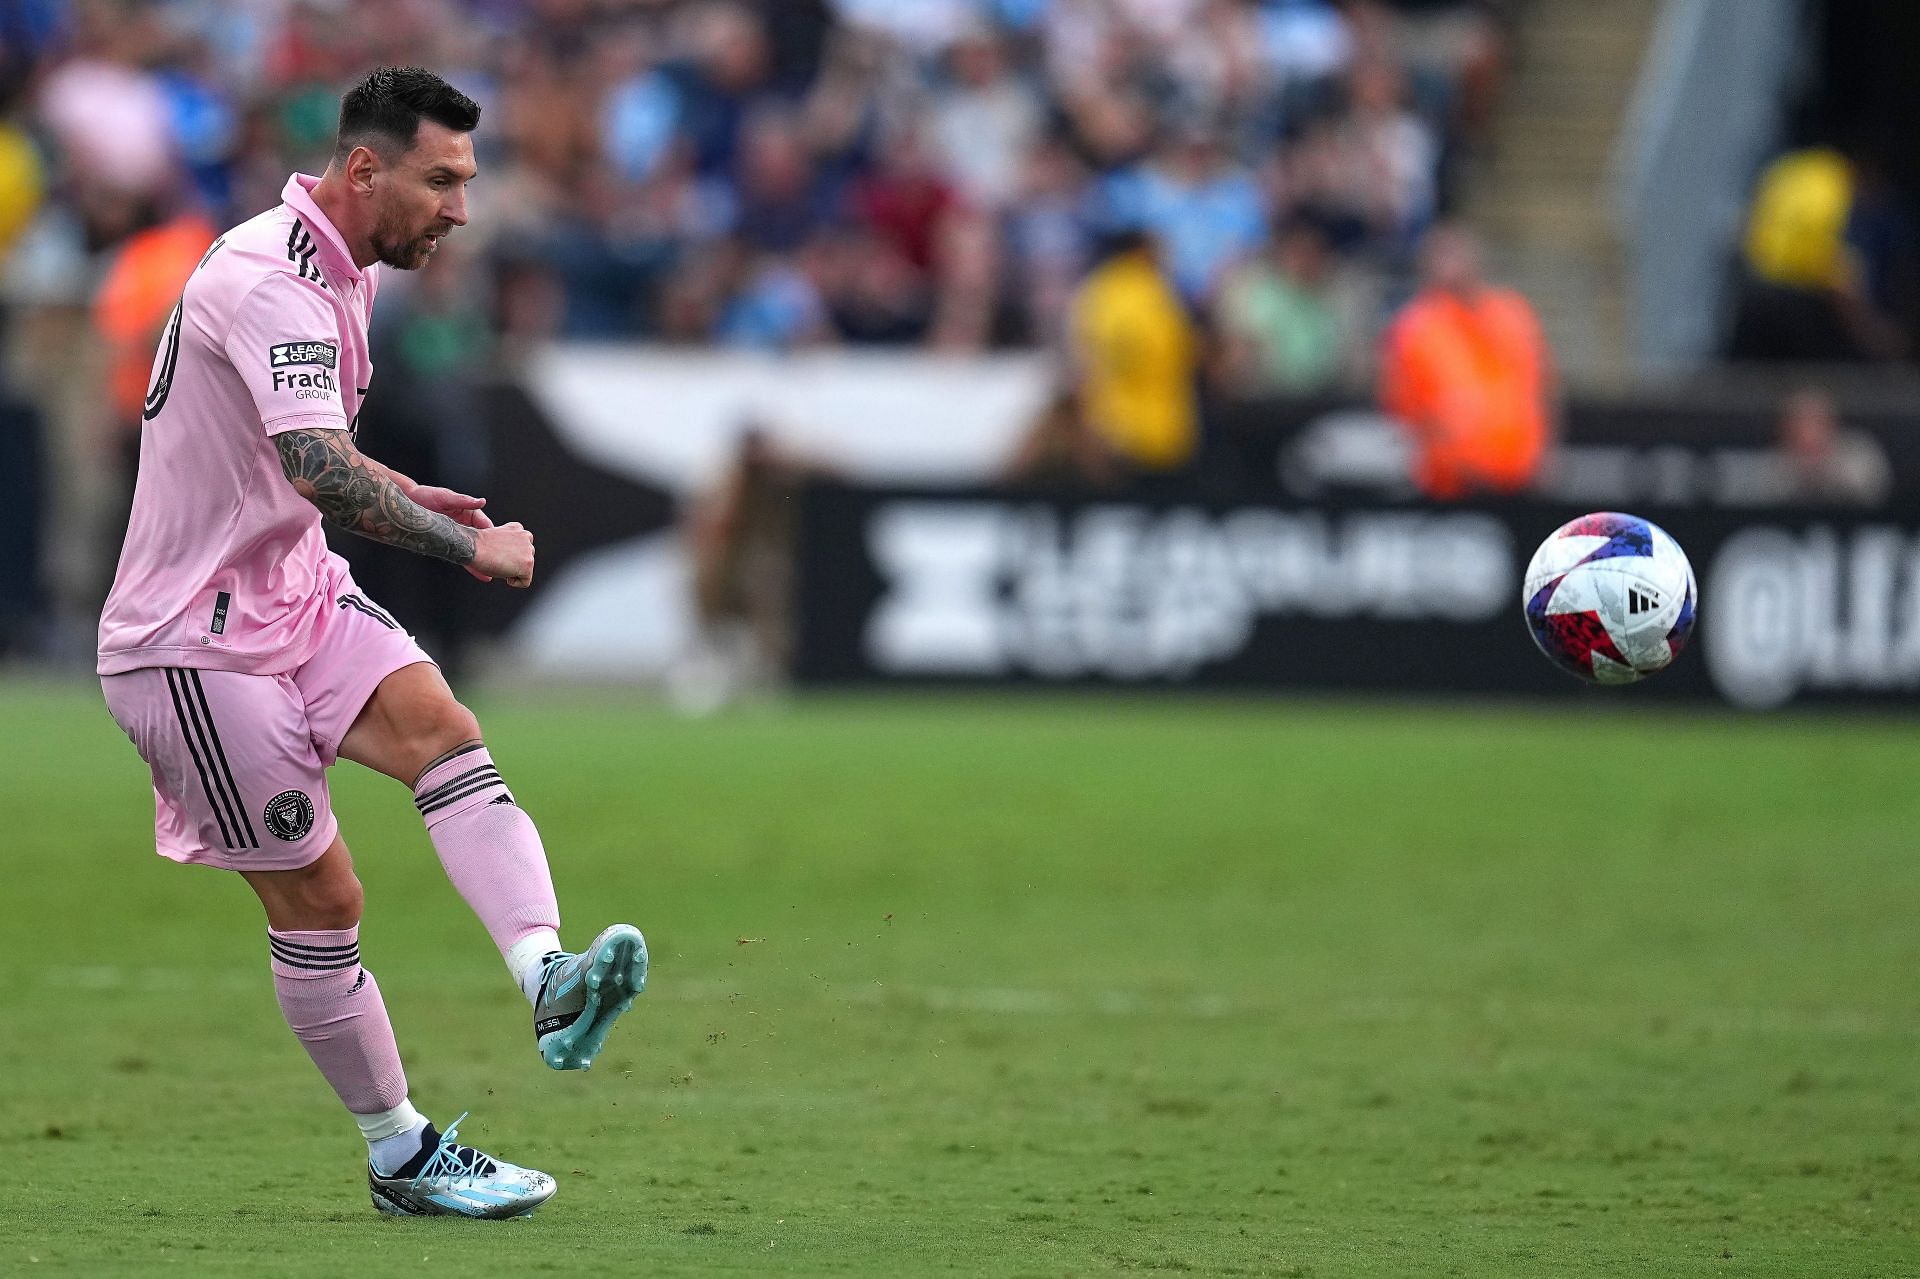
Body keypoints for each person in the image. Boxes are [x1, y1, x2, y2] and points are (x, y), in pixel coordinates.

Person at [95, 67, 647, 1220]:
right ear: (363, 169)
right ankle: (400, 1151)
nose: (460, 207)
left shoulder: (336, 269)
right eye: (442, 180)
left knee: (445, 734)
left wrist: (409, 492)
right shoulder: (270, 276)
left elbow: (297, 449)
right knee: (324, 902)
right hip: (194, 644)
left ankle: (548, 978)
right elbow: (313, 468)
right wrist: (466, 553)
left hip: (291, 592)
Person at [1378, 223, 1551, 498]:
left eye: (1457, 253)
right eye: (1442, 255)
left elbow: (1539, 388)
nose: (1451, 264)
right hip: (1450, 486)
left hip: (1520, 477)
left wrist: (1542, 453)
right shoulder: (1415, 326)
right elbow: (1405, 406)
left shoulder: (1512, 312)